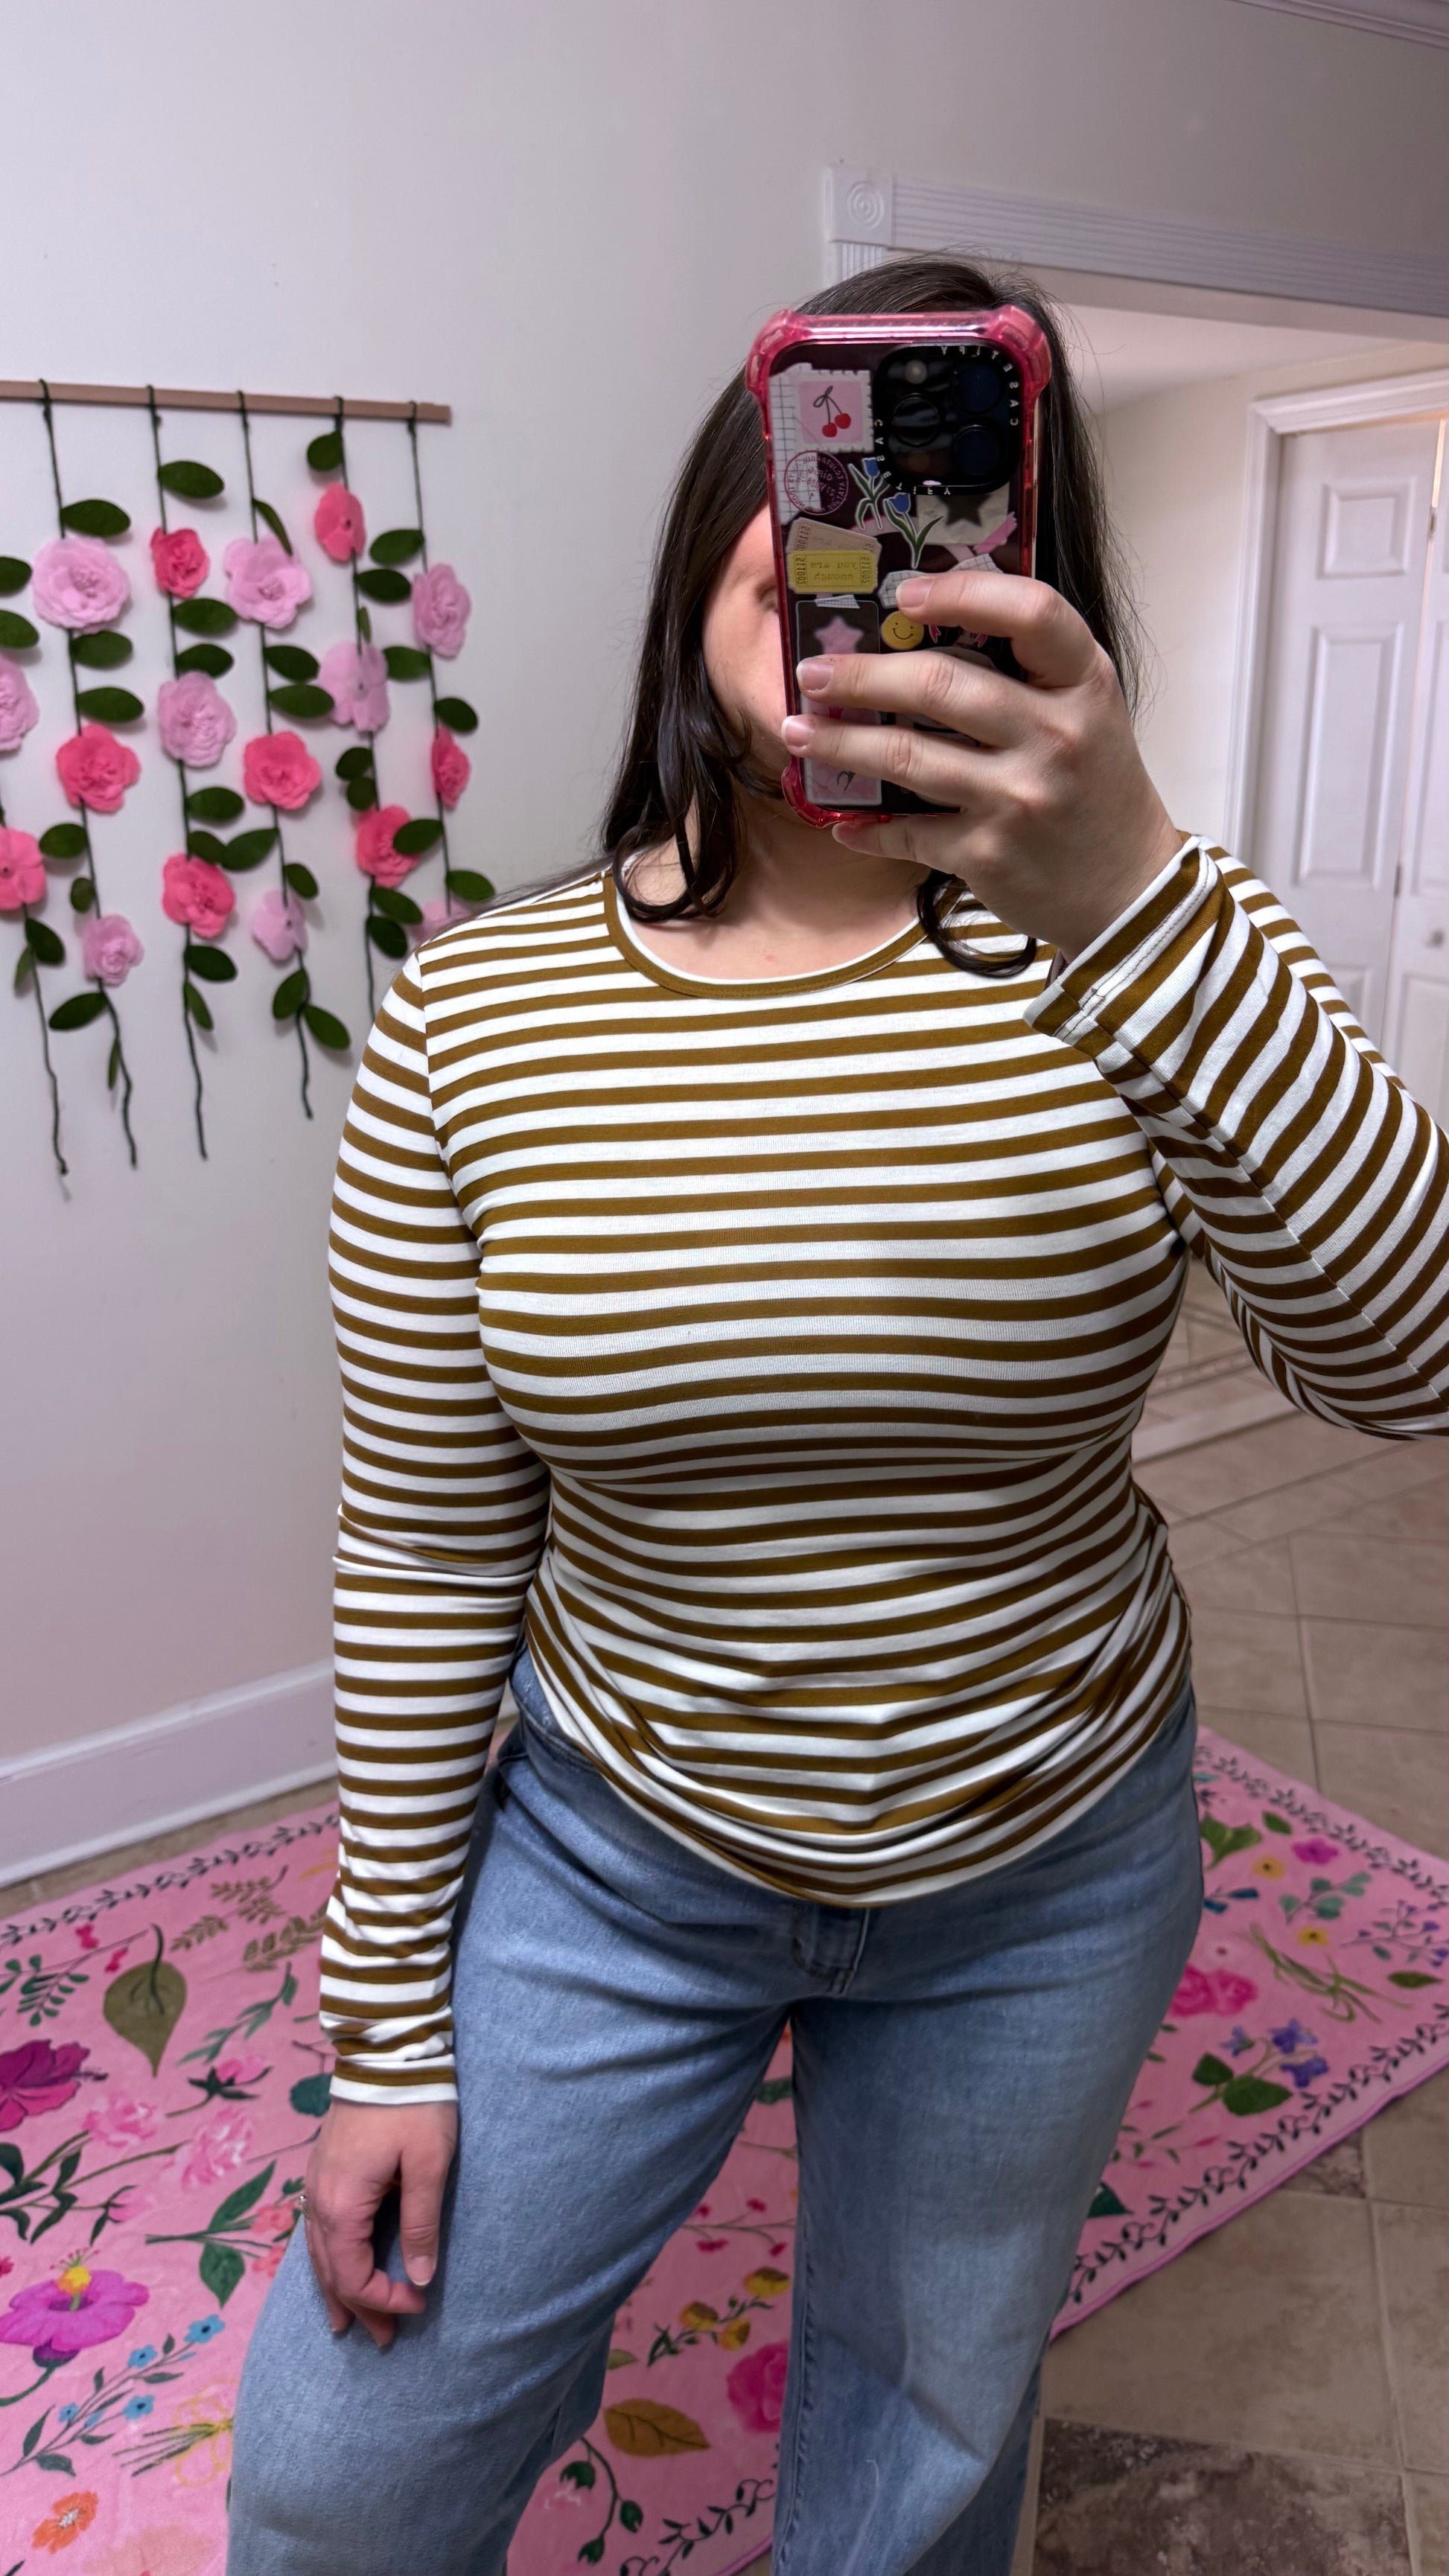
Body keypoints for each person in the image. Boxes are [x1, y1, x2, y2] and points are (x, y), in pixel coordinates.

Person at [228, 255, 1448, 2576]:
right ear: (729, 504)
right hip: (612, 1855)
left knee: (914, 2469)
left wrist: (1131, 895)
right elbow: (426, 1541)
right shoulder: (479, 1016)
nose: (864, 537)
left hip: (1045, 1865)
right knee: (337, 2475)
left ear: (1028, 582)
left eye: (947, 489)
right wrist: (383, 2022)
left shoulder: (1153, 949)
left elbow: (1408, 1366)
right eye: (820, 465)